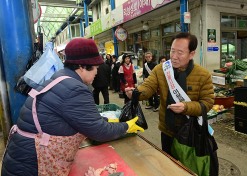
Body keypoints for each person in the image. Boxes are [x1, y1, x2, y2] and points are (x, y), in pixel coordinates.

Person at [1, 38, 144, 176]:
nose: (97, 72)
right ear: (82, 67)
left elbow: (83, 118)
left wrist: (105, 121)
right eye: (95, 68)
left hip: (21, 156)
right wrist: (125, 127)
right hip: (32, 165)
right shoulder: (75, 89)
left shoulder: (59, 77)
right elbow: (99, 132)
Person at [125, 32, 214, 155]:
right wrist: (135, 94)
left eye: (180, 52)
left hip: (192, 131)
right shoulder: (161, 69)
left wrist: (186, 107)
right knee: (169, 163)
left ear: (191, 54)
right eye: (172, 51)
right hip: (167, 130)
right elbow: (148, 87)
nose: (174, 56)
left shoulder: (203, 75)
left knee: (187, 168)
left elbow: (207, 103)